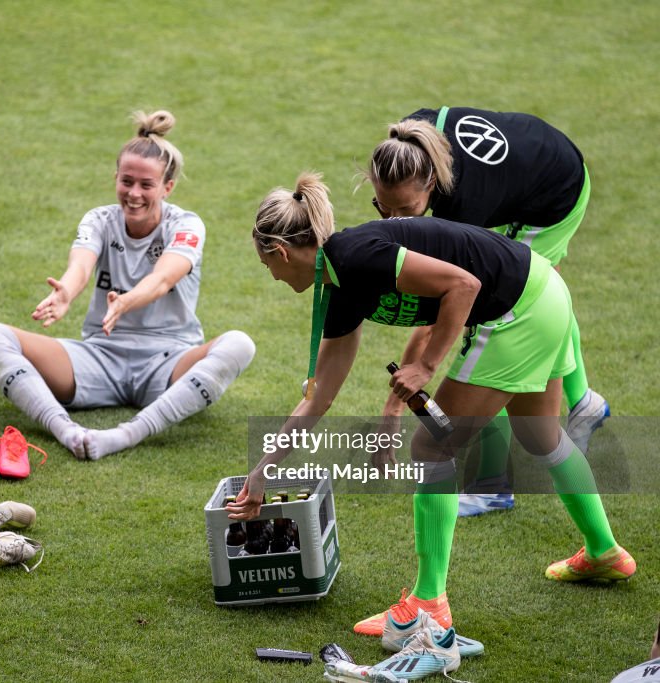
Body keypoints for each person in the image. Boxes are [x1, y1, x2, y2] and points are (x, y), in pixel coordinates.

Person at [226, 171, 634, 641]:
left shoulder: (357, 255)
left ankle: (428, 604)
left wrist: (427, 366)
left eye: (268, 268)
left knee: (432, 449)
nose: (274, 278)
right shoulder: (338, 284)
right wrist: (261, 473)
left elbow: (462, 286)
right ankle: (604, 552)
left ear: (279, 252)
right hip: (541, 291)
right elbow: (318, 398)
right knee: (539, 434)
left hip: (519, 307)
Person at [365, 106, 608, 517]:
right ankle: (581, 399)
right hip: (533, 157)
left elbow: (447, 309)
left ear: (431, 184)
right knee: (536, 419)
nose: (393, 221)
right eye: (382, 208)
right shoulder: (406, 141)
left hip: (556, 192)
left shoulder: (462, 205)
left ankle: (498, 479)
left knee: (506, 311)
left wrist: (396, 404)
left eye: (407, 210)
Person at [0, 110, 255, 460]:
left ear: (168, 187)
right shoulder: (99, 219)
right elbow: (81, 263)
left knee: (239, 344)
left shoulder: (187, 224)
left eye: (146, 185)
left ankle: (125, 436)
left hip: (168, 362)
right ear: (116, 178)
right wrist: (66, 291)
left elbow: (164, 277)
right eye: (126, 181)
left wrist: (125, 302)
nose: (133, 193)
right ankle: (67, 432)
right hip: (101, 356)